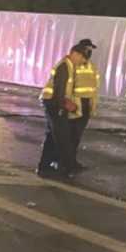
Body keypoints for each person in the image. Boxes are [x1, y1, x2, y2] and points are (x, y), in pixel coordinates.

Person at [37, 44, 89, 177]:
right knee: (62, 137)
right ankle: (67, 168)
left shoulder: (69, 66)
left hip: (53, 103)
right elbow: (59, 90)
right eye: (82, 58)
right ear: (75, 54)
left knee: (52, 136)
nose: (82, 61)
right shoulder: (64, 67)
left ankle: (44, 167)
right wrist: (64, 106)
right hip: (54, 104)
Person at [73, 39, 100, 170]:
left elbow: (94, 88)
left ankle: (71, 161)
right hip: (74, 103)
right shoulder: (73, 65)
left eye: (91, 50)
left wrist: (92, 106)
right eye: (88, 49)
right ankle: (65, 161)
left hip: (86, 104)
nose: (90, 52)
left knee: (77, 135)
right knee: (70, 135)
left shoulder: (92, 67)